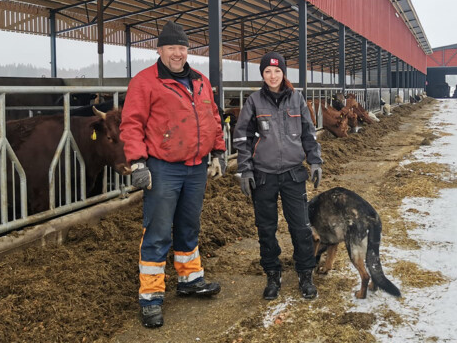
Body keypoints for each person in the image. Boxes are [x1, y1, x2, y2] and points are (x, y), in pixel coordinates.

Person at [120, 21, 227, 328]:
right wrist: (138, 163)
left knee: (188, 225)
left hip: (196, 167)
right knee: (157, 231)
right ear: (160, 50)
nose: (177, 53)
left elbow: (212, 119)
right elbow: (131, 124)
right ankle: (151, 298)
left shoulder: (201, 81)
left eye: (182, 47)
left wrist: (218, 151)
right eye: (171, 48)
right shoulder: (145, 82)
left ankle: (190, 279)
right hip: (163, 168)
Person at [232, 52, 323, 300]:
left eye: (277, 71)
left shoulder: (297, 99)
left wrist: (314, 161)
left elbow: (309, 133)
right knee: (266, 228)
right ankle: (273, 274)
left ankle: (306, 273)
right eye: (268, 72)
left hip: (293, 173)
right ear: (262, 74)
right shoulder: (253, 101)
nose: (273, 76)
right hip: (263, 175)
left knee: (301, 227)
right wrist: (245, 169)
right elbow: (242, 138)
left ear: (284, 73)